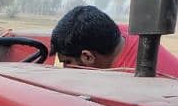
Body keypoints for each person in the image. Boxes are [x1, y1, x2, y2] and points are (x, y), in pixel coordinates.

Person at [50, 5, 178, 77]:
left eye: (68, 62)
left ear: (87, 57)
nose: (65, 68)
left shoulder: (129, 78)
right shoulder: (119, 33)